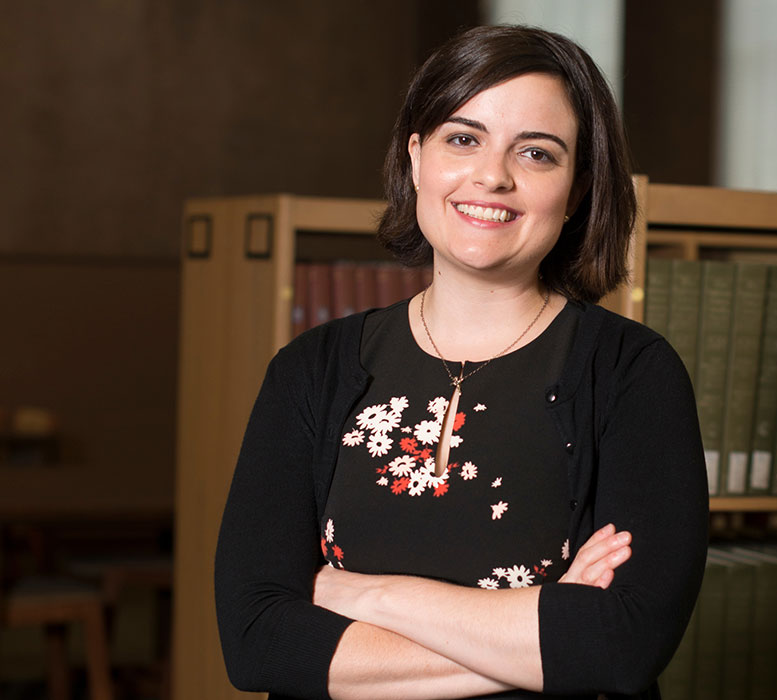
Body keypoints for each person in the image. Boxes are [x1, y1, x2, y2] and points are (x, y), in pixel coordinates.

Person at [214, 24, 708, 700]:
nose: (492, 176)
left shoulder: (633, 374)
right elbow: (257, 643)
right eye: (463, 138)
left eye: (536, 153)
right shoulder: (311, 371)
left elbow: (622, 648)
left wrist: (363, 595)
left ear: (577, 189)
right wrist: (544, 632)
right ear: (416, 156)